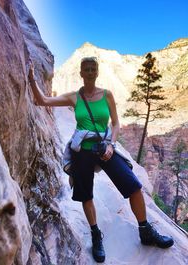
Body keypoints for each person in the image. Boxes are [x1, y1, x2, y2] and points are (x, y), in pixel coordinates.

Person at [28, 57, 174, 263]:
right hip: (82, 153)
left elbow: (115, 124)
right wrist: (33, 78)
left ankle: (145, 231)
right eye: (86, 69)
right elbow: (42, 101)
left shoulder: (107, 95)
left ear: (97, 72)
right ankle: (96, 235)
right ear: (81, 73)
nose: (89, 72)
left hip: (105, 148)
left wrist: (112, 145)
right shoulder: (74, 97)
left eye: (93, 69)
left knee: (133, 186)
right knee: (86, 194)